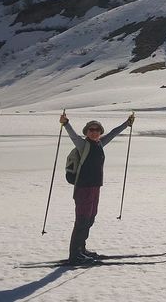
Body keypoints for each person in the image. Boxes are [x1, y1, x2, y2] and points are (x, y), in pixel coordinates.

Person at [59, 111, 135, 264]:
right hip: (83, 188)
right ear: (86, 132)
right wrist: (66, 123)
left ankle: (81, 249)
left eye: (97, 130)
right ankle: (75, 254)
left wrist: (127, 124)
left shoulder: (99, 143)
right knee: (82, 220)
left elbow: (113, 133)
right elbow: (73, 136)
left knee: (90, 219)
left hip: (95, 188)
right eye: (91, 130)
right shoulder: (83, 145)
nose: (94, 132)